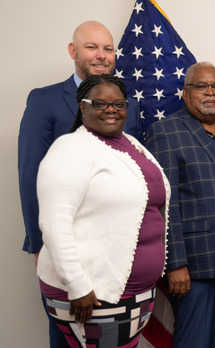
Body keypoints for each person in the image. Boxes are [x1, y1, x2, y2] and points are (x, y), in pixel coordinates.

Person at [18, 21, 143, 347]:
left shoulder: (131, 104)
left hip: (120, 246)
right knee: (70, 335)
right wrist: (38, 241)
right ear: (73, 51)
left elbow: (138, 172)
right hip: (67, 243)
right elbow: (30, 173)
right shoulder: (45, 101)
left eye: (108, 48)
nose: (101, 56)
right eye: (92, 47)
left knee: (114, 337)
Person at [36, 74, 170, 347]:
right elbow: (54, 224)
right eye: (100, 103)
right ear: (83, 107)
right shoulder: (69, 149)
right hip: (93, 292)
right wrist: (77, 285)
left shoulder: (133, 145)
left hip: (133, 290)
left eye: (118, 104)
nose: (111, 110)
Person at [145, 61, 215, 348]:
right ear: (186, 92)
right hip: (192, 266)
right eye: (201, 86)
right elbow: (164, 203)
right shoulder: (165, 132)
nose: (210, 92)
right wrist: (176, 264)